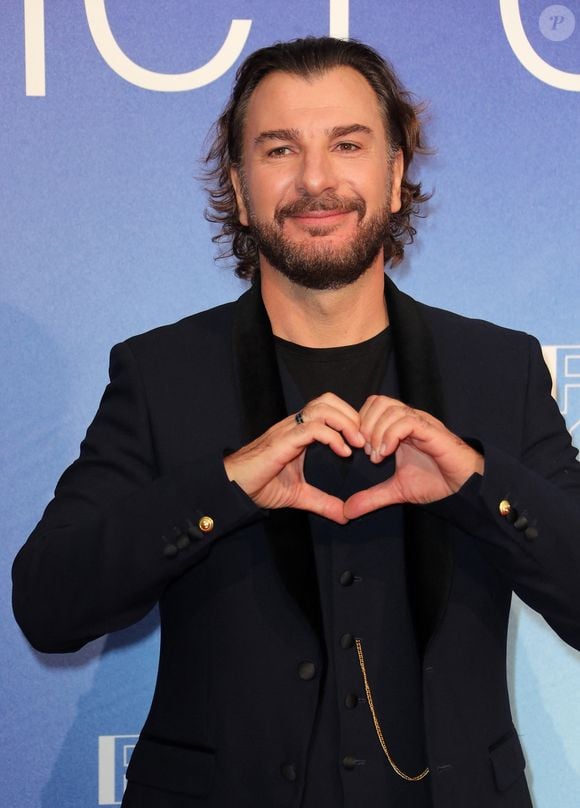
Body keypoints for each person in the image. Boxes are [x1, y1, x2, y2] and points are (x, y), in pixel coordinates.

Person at [12, 36, 580, 808]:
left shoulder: (497, 368)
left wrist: (481, 484)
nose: (316, 180)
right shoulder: (160, 373)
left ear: (395, 176)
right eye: (279, 149)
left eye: (348, 145)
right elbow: (48, 606)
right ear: (240, 189)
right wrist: (221, 489)